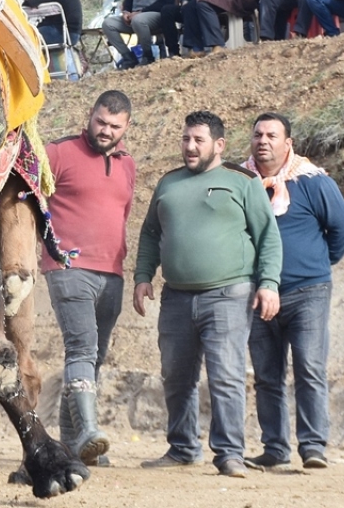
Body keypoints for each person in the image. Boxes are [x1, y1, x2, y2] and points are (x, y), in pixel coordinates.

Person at [134, 110, 282, 479]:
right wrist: (142, 276)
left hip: (229, 294)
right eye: (186, 139)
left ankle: (230, 454)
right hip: (176, 297)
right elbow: (150, 234)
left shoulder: (242, 181)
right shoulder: (168, 183)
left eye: (198, 140)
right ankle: (183, 448)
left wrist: (269, 284)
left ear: (218, 145)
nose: (190, 146)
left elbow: (268, 236)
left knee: (226, 376)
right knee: (176, 376)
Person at [243, 113, 344, 471]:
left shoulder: (311, 181)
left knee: (309, 367)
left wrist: (317, 262)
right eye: (258, 134)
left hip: (308, 292)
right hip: (258, 294)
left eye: (271, 135)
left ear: (287, 143)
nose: (263, 141)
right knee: (266, 376)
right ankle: (275, 448)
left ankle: (313, 447)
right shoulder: (241, 182)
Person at [42, 90, 135, 466]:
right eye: (100, 122)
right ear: (90, 115)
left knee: (93, 356)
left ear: (126, 127)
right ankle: (89, 431)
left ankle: (72, 445)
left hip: (111, 273)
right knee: (81, 348)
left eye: (114, 126)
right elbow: (26, 199)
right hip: (69, 267)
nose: (105, 130)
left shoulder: (128, 165)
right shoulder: (58, 152)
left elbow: (122, 215)